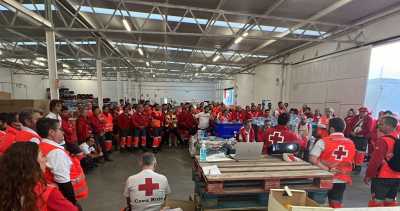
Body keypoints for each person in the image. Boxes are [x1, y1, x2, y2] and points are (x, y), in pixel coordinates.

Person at [0, 142, 78, 211]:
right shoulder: (47, 193)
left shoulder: (6, 187)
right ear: (32, 164)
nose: (46, 159)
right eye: (42, 156)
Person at [37, 118, 89, 205]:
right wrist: (72, 204)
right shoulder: (56, 153)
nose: (63, 132)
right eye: (60, 129)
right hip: (62, 196)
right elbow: (63, 182)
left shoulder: (43, 145)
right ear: (51, 132)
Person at [309, 118, 356, 208]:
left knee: (317, 205)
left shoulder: (323, 141)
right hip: (341, 179)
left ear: (332, 129)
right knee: (336, 205)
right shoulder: (351, 143)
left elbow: (312, 159)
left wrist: (327, 169)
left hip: (323, 178)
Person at [364, 115, 400, 207]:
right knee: (390, 202)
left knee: (377, 202)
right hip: (396, 177)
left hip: (382, 177)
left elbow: (375, 161)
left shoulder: (383, 140)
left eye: (382, 124)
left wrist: (368, 175)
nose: (379, 125)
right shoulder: (397, 140)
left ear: (389, 126)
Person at [348, 107, 373, 174]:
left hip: (362, 139)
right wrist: (351, 132)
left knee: (360, 154)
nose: (362, 113)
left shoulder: (369, 119)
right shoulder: (355, 117)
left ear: (366, 112)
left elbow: (369, 129)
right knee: (353, 152)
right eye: (361, 112)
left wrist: (361, 135)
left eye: (363, 112)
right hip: (354, 137)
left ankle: (358, 168)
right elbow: (350, 125)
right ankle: (352, 166)